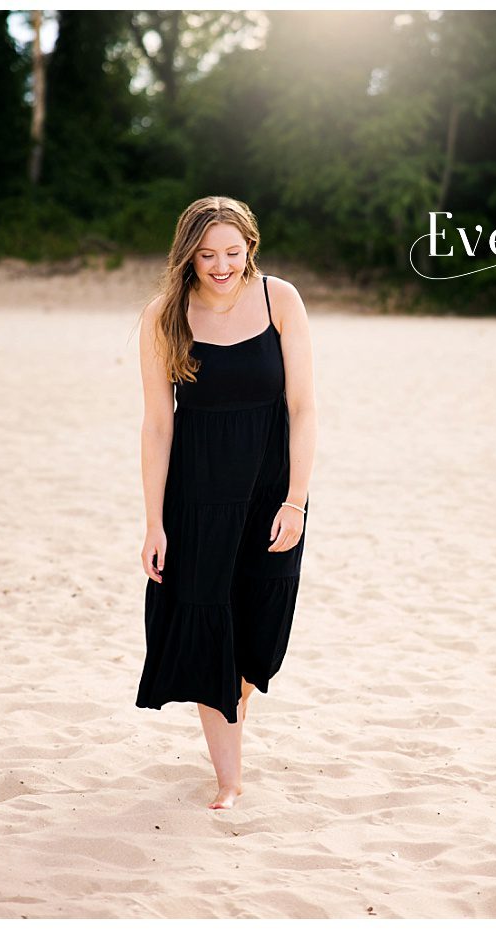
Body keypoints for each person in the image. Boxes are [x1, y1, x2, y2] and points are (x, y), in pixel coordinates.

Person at [135, 196, 317, 810]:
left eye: (233, 253)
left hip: (271, 494)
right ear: (188, 255)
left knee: (258, 634)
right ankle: (229, 780)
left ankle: (231, 724)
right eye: (208, 254)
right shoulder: (164, 316)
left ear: (251, 250)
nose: (221, 266)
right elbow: (158, 426)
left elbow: (304, 409)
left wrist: (296, 500)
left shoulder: (280, 300)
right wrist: (155, 522)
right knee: (213, 631)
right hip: (198, 499)